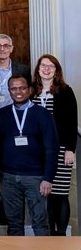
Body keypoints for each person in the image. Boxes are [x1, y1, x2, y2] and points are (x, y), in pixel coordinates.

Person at [0, 74, 58, 250]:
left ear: (29, 90)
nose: (18, 92)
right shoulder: (2, 115)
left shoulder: (42, 115)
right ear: (9, 91)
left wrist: (48, 177)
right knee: (14, 223)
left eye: (22, 88)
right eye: (13, 89)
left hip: (36, 177)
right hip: (9, 177)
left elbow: (52, 148)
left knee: (40, 222)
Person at [31, 54, 78, 237]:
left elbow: (71, 123)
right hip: (37, 152)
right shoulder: (32, 91)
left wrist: (69, 149)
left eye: (51, 66)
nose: (46, 69)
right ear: (38, 69)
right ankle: (49, 235)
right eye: (43, 65)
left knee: (60, 194)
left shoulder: (65, 92)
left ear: (56, 70)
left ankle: (60, 234)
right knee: (45, 195)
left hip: (59, 150)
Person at [0, 34, 28, 114]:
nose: (2, 49)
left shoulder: (23, 70)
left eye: (6, 46)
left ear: (11, 49)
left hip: (16, 114)